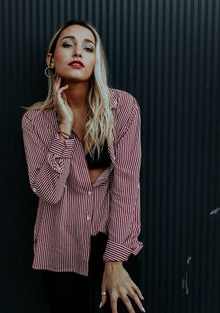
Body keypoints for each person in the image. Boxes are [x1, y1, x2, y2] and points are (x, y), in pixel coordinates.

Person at [21, 19, 145, 313]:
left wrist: (114, 260)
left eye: (88, 48)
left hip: (113, 238)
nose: (78, 52)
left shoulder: (123, 109)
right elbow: (48, 192)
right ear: (51, 59)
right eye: (68, 44)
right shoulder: (35, 121)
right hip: (59, 245)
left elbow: (127, 187)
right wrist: (63, 130)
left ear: (95, 61)